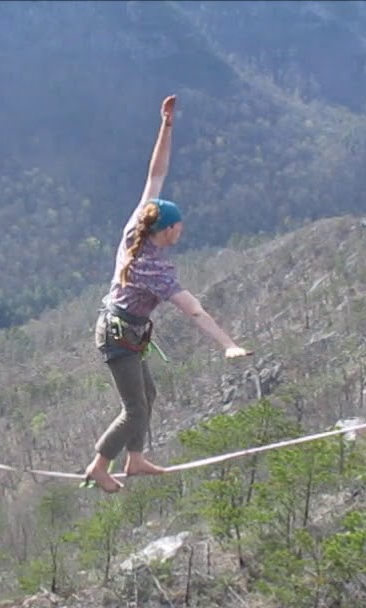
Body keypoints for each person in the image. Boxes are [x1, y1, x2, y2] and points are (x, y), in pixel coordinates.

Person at [83, 94, 252, 494]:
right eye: (180, 227)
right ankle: (98, 466)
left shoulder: (136, 226)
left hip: (125, 331)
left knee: (149, 394)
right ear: (169, 230)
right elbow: (193, 311)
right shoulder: (154, 269)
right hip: (119, 336)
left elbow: (155, 175)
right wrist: (228, 344)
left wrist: (167, 126)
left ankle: (136, 459)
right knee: (134, 407)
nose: (183, 230)